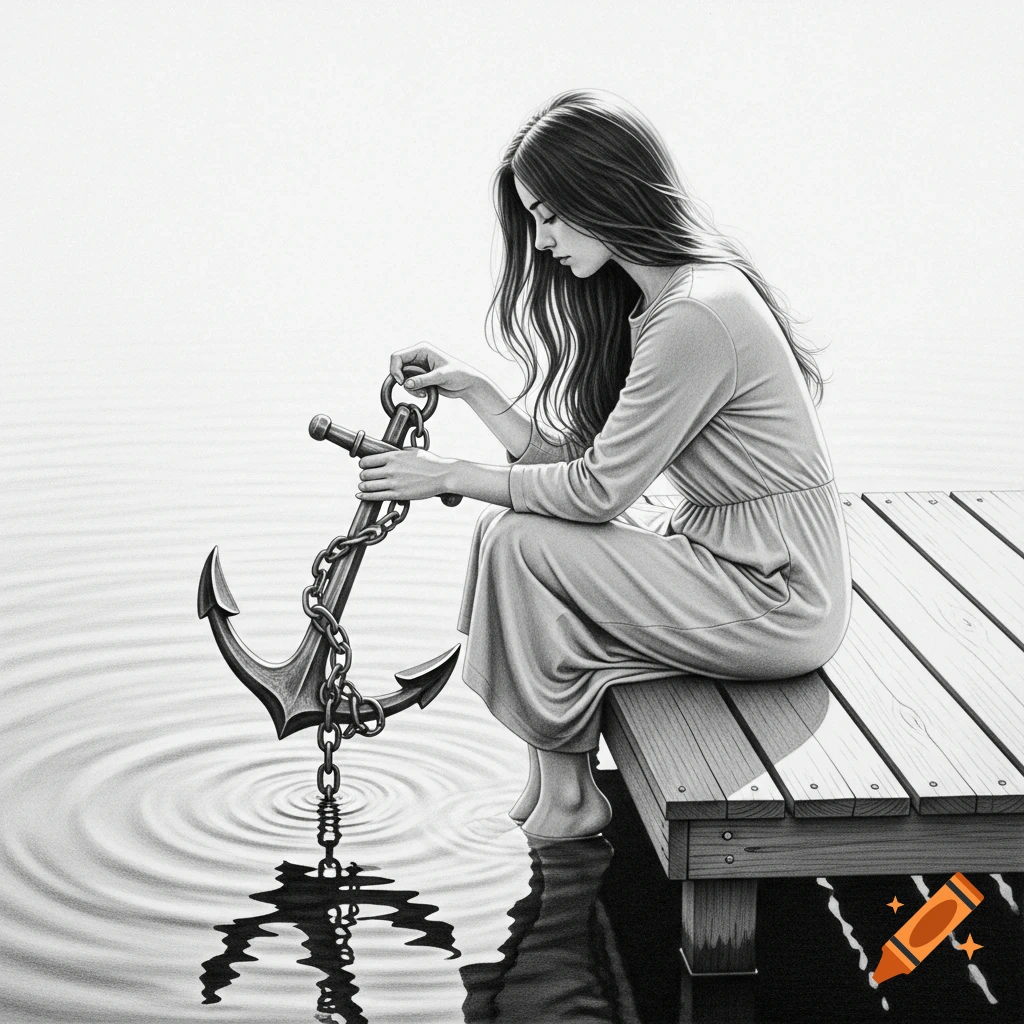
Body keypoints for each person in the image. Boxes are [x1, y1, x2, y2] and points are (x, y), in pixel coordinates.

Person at [355, 89, 853, 841]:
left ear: (606, 194)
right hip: (732, 559)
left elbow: (594, 494)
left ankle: (568, 800)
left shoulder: (695, 314)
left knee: (520, 540)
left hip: (780, 595)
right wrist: (480, 394)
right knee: (508, 533)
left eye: (550, 213)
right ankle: (552, 786)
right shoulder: (666, 301)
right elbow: (594, 471)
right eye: (532, 217)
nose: (541, 237)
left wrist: (447, 476)